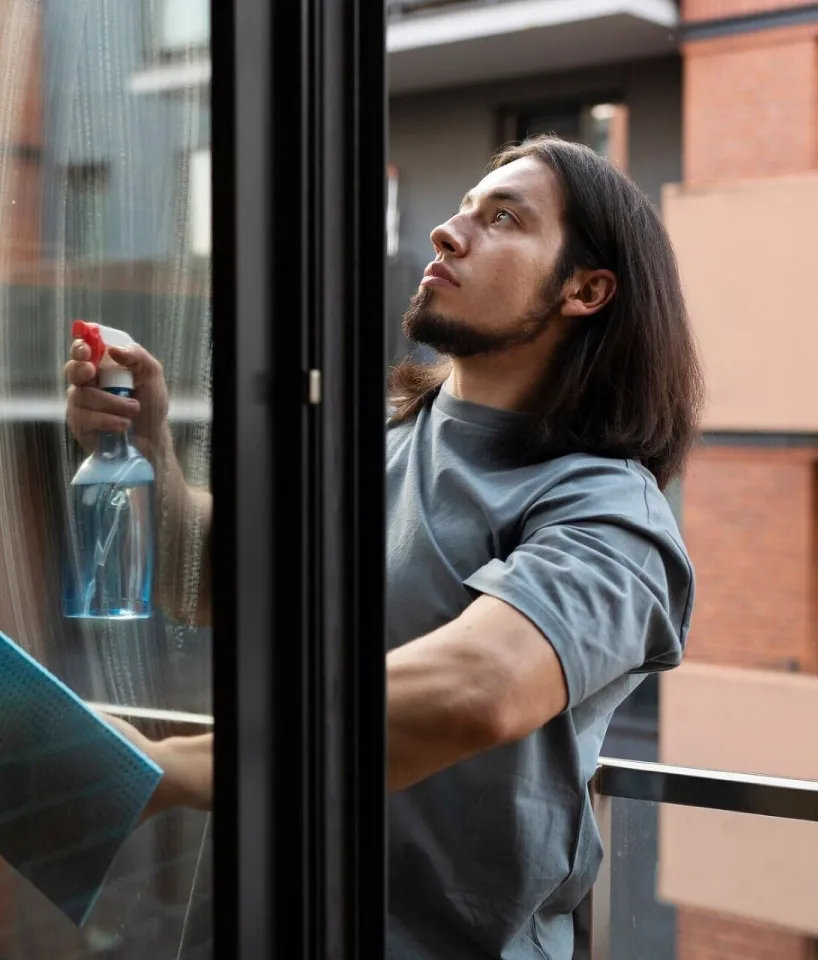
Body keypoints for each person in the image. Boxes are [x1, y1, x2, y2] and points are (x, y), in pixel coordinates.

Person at [64, 135, 702, 959]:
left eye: (502, 217)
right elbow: (213, 583)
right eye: (463, 206)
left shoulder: (611, 511)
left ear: (586, 288)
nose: (448, 231)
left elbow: (485, 685)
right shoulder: (378, 439)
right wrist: (147, 450)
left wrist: (177, 769)